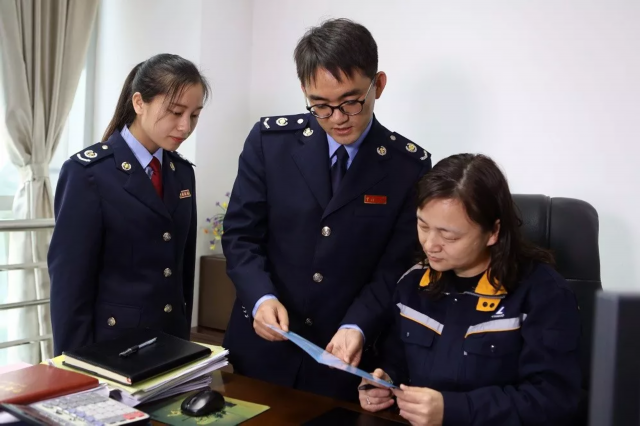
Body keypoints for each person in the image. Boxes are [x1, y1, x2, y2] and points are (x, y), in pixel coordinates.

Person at [222, 18, 432, 401]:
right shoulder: (271, 142)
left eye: (351, 102)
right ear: (304, 91)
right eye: (320, 105)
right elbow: (241, 235)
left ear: (378, 84)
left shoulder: (407, 166)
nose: (337, 118)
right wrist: (260, 298)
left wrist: (359, 324)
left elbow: (396, 267)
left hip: (343, 362)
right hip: (261, 353)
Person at [358, 154, 582, 425]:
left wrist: (452, 410)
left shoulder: (543, 294)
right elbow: (397, 359)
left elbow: (554, 400)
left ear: (493, 232)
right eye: (423, 226)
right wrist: (384, 382)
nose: (430, 244)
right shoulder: (412, 283)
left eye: (449, 235)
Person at [48, 53, 210, 356]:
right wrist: (75, 367)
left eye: (194, 115)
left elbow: (182, 274)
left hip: (171, 343)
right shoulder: (89, 174)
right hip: (112, 348)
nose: (185, 127)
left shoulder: (181, 173)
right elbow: (69, 286)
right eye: (176, 112)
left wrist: (184, 345)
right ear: (139, 103)